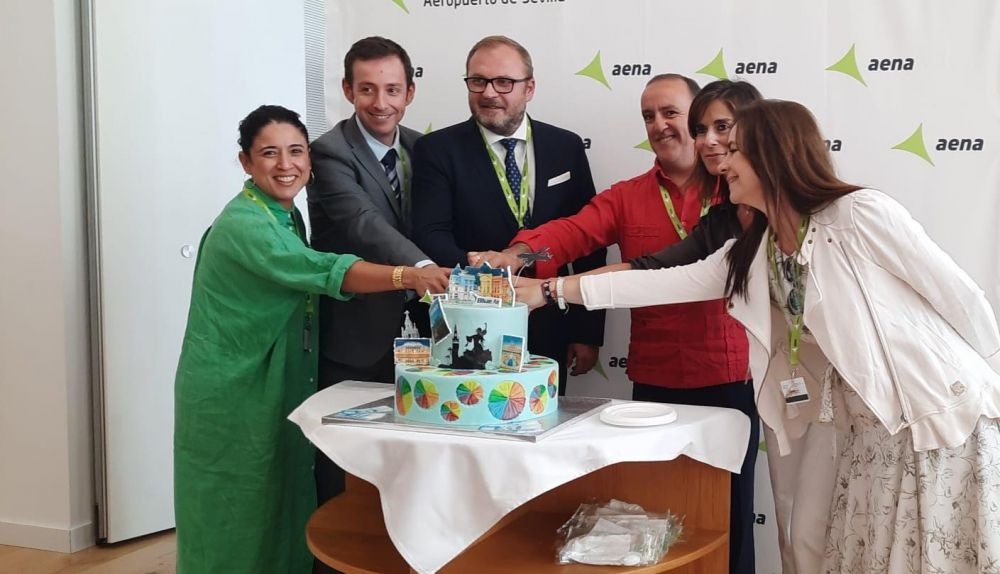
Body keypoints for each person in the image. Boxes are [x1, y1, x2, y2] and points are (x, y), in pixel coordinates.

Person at [519, 99, 1000, 574]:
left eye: (734, 150)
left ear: (773, 156)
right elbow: (656, 283)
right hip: (867, 430)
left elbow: (961, 298)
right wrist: (550, 290)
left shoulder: (859, 213)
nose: (721, 161)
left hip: (936, 418)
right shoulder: (756, 252)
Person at [475, 77, 760, 574]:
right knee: (656, 518)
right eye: (648, 116)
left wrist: (550, 291)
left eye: (671, 113)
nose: (659, 125)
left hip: (729, 379)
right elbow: (571, 233)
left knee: (730, 518)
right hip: (655, 383)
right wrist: (516, 255)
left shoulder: (740, 195)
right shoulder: (628, 197)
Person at [174, 105, 449, 574]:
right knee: (234, 510)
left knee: (277, 500)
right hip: (232, 393)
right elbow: (322, 269)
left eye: (296, 151)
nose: (286, 165)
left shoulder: (283, 215)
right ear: (245, 162)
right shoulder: (246, 223)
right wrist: (408, 274)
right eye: (269, 153)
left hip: (270, 382)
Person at [411, 35, 606, 393]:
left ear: (529, 88)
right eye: (478, 81)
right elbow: (430, 233)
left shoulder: (566, 146)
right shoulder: (436, 150)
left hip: (552, 319)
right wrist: (488, 281)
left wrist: (587, 331)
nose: (489, 93)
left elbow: (589, 242)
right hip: (471, 326)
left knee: (544, 420)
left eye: (503, 82)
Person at [307, 36, 433, 506]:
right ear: (347, 90)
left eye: (392, 89)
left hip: (422, 335)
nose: (381, 103)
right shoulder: (328, 152)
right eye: (367, 89)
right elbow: (363, 224)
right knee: (343, 461)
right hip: (355, 334)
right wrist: (423, 268)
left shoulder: (424, 149)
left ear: (410, 92)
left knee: (412, 457)